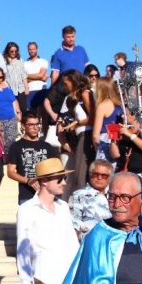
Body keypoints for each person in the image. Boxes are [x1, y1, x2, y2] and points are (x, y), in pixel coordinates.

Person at [7, 112, 59, 205]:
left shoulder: (47, 146)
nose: (35, 128)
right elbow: (10, 172)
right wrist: (28, 181)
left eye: (37, 124)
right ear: (23, 126)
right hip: (26, 195)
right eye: (31, 125)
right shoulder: (16, 147)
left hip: (47, 194)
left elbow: (56, 169)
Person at [57, 70, 95, 199]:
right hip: (81, 137)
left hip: (87, 135)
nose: (65, 86)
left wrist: (76, 123)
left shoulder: (85, 94)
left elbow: (94, 117)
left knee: (81, 174)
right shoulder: (76, 98)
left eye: (66, 83)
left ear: (73, 81)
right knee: (79, 174)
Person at [69, 159, 113, 240]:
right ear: (90, 174)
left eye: (104, 176)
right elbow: (73, 225)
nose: (99, 178)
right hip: (89, 242)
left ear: (109, 178)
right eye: (96, 174)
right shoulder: (78, 195)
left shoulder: (114, 196)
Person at [111, 109, 142, 175]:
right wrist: (113, 138)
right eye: (122, 114)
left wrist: (129, 135)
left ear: (135, 116)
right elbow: (115, 155)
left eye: (126, 114)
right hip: (124, 172)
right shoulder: (122, 131)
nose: (122, 116)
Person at [91, 76, 124, 165]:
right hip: (118, 140)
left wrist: (96, 147)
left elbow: (95, 135)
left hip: (105, 141)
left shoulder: (102, 106)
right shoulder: (120, 105)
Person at [3, 42, 29, 113]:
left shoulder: (20, 60)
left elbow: (23, 74)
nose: (14, 53)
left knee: (23, 109)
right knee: (12, 109)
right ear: (7, 51)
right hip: (10, 88)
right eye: (12, 51)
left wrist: (26, 87)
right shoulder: (3, 61)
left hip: (20, 89)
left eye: (15, 51)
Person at [24, 42, 49, 112]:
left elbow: (41, 75)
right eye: (30, 49)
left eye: (33, 49)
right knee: (31, 112)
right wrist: (39, 78)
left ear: (37, 50)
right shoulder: (24, 64)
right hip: (29, 90)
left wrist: (27, 76)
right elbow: (23, 79)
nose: (32, 51)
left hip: (41, 89)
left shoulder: (43, 61)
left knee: (43, 111)